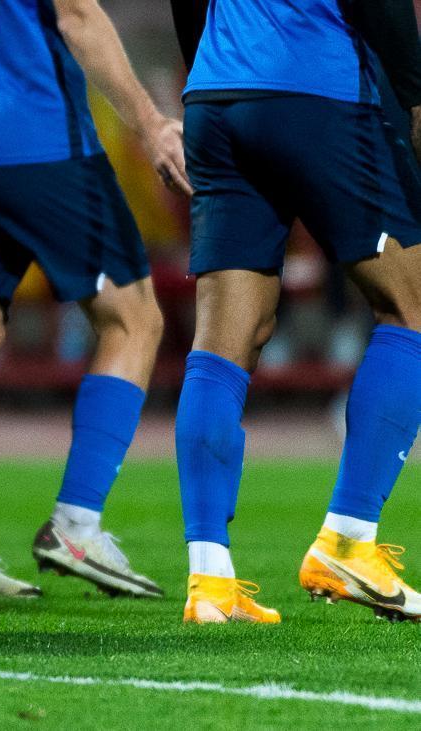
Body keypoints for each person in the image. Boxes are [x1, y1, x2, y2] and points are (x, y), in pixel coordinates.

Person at [0, 0, 188, 598]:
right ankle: (77, 524)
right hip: (38, 144)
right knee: (134, 319)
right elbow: (77, 13)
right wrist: (151, 124)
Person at [171, 0, 421, 623]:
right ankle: (348, 542)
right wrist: (416, 99)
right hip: (316, 85)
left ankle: (209, 581)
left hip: (215, 93)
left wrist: (212, 69)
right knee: (412, 306)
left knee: (223, 338)